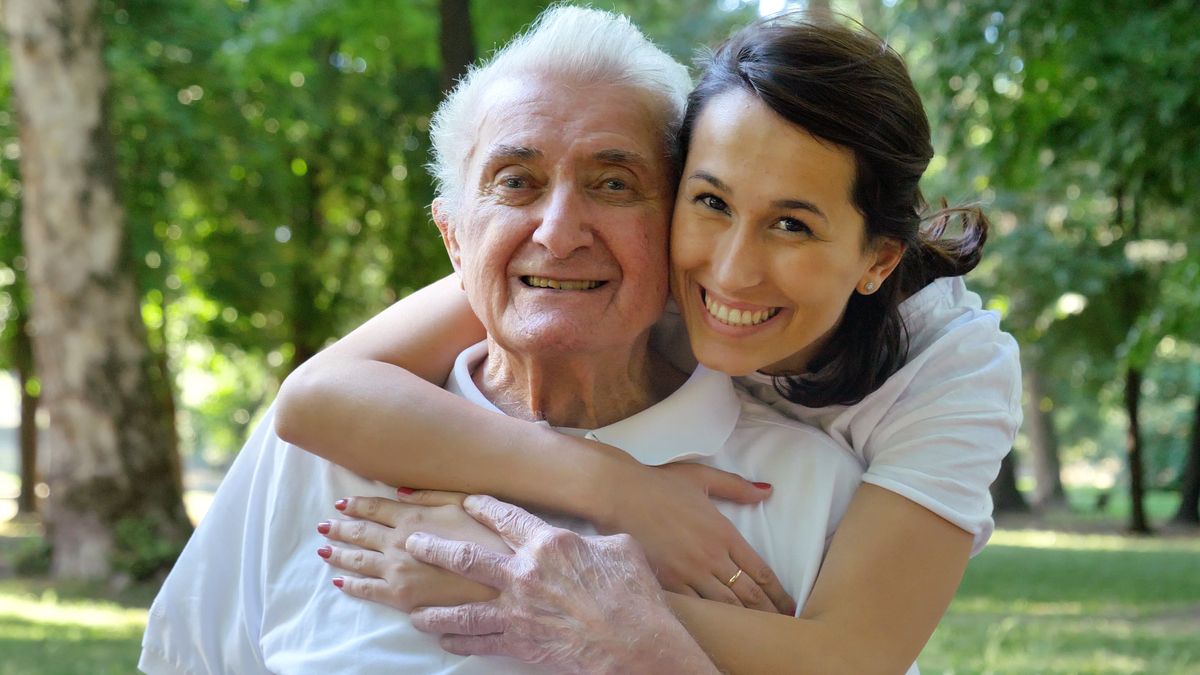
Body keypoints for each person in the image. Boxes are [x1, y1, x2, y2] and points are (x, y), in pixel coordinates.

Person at [276, 6, 1021, 673]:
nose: (730, 270)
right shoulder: (621, 258)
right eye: (711, 201)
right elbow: (318, 397)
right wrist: (612, 485)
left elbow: (848, 657)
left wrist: (515, 573)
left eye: (792, 224)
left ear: (878, 259)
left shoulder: (951, 371)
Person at [138, 7, 871, 674]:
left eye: (614, 184)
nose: (558, 231)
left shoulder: (806, 489)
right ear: (454, 237)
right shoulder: (318, 453)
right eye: (516, 181)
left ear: (679, 224)